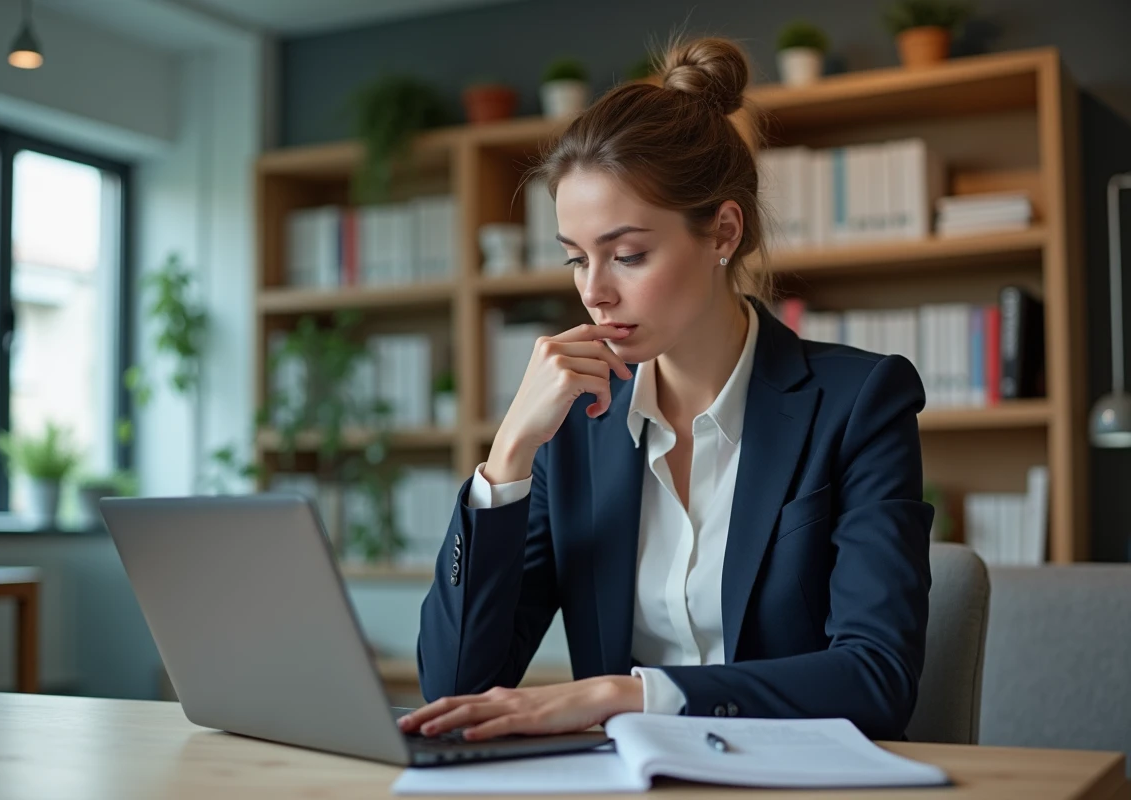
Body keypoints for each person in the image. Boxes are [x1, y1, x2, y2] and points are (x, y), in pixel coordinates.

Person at [399, 34, 933, 744]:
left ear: (722, 232)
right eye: (575, 259)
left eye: (628, 255)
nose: (594, 291)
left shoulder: (860, 402)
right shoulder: (574, 428)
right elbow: (455, 685)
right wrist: (507, 459)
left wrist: (630, 695)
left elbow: (876, 678)